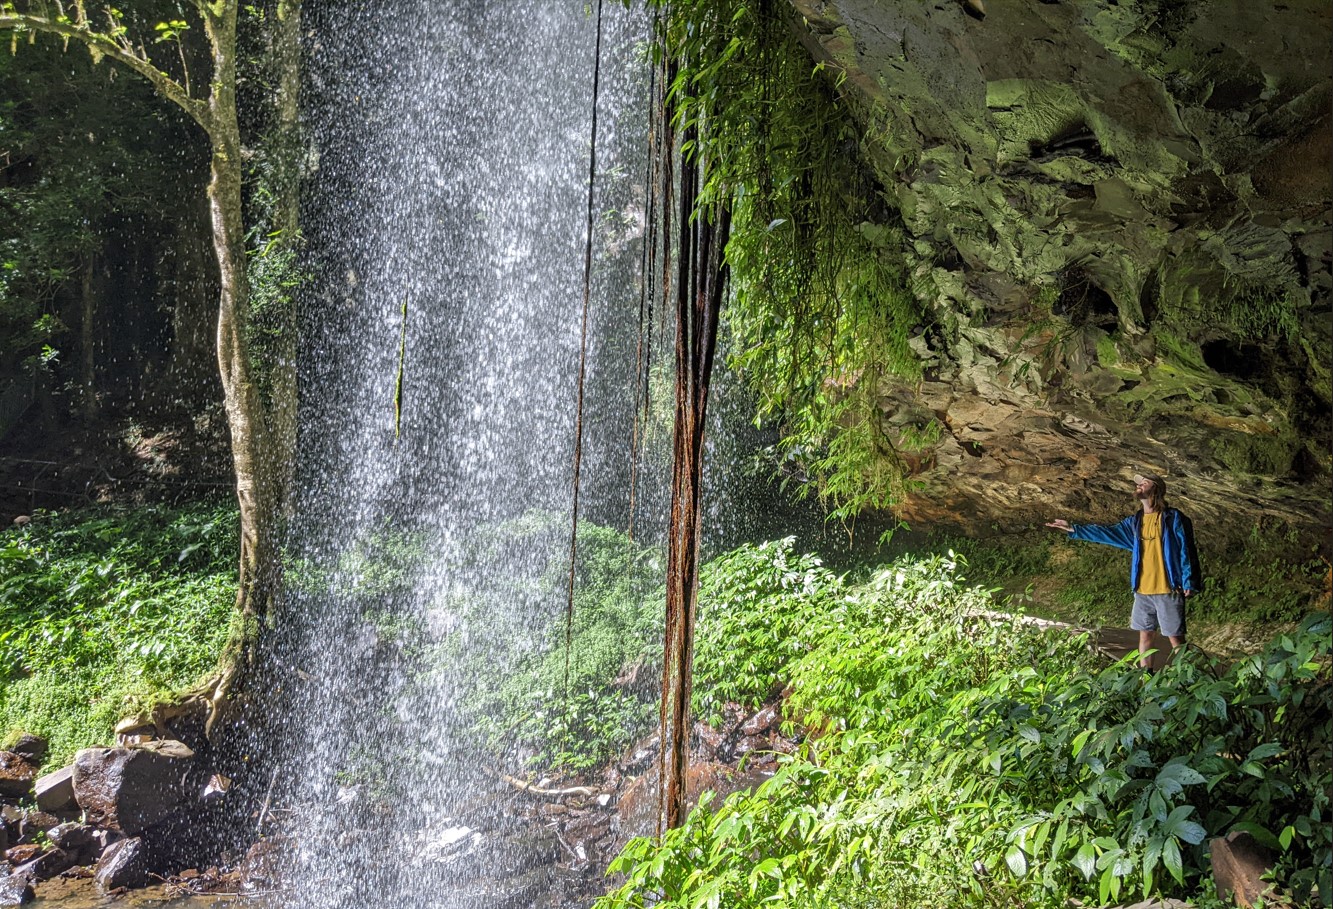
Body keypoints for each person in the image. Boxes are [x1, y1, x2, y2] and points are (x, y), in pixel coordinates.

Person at [1046, 472, 1202, 669]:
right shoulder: (1135, 522)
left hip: (1167, 589)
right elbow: (1108, 533)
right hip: (1142, 591)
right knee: (1145, 636)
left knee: (1176, 639)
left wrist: (1189, 581)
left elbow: (1186, 550)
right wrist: (1074, 529)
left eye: (1144, 483)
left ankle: (1189, 678)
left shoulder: (1173, 518)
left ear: (1156, 489)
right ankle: (1146, 679)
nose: (1139, 486)